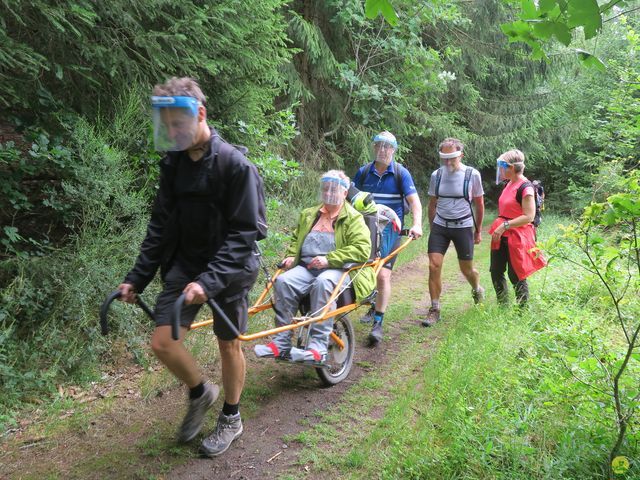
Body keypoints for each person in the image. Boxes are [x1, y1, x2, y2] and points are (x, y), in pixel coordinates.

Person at [116, 77, 263, 457]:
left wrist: (210, 281)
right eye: (166, 125)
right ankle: (200, 392)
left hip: (230, 267)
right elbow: (161, 226)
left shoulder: (235, 165)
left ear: (200, 114)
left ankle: (231, 416)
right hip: (185, 263)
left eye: (177, 123)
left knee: (227, 343)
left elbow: (245, 232)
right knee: (163, 341)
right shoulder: (174, 165)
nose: (172, 131)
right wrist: (137, 278)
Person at [254, 170, 375, 361]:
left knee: (323, 282)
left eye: (334, 189)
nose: (329, 193)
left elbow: (362, 249)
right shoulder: (309, 214)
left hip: (340, 269)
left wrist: (329, 259)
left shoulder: (353, 218)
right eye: (326, 189)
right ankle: (280, 343)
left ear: (344, 193)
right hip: (308, 267)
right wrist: (292, 255)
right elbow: (296, 239)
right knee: (283, 281)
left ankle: (317, 349)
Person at [353, 131, 423, 345]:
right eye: (379, 146)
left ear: (394, 149)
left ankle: (378, 324)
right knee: (360, 273)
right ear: (374, 148)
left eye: (388, 146)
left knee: (382, 276)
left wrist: (417, 224)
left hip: (391, 230)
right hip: (364, 230)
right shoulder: (364, 172)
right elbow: (350, 200)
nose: (383, 150)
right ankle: (370, 301)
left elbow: (415, 203)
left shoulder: (402, 174)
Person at [423, 138, 485, 326]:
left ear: (461, 155)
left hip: (463, 226)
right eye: (444, 158)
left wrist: (478, 230)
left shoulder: (472, 175)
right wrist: (433, 228)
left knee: (466, 269)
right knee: (434, 266)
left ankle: (476, 288)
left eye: (452, 158)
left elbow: (479, 204)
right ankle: (435, 308)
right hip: (441, 226)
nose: (448, 162)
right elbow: (432, 203)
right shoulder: (437, 175)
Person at [489, 149, 546, 305]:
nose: (500, 170)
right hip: (502, 233)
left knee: (517, 274)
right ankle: (503, 306)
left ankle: (522, 310)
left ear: (511, 168)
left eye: (502, 167)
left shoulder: (525, 188)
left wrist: (505, 226)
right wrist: (501, 228)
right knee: (496, 271)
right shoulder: (509, 184)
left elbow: (529, 216)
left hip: (518, 235)